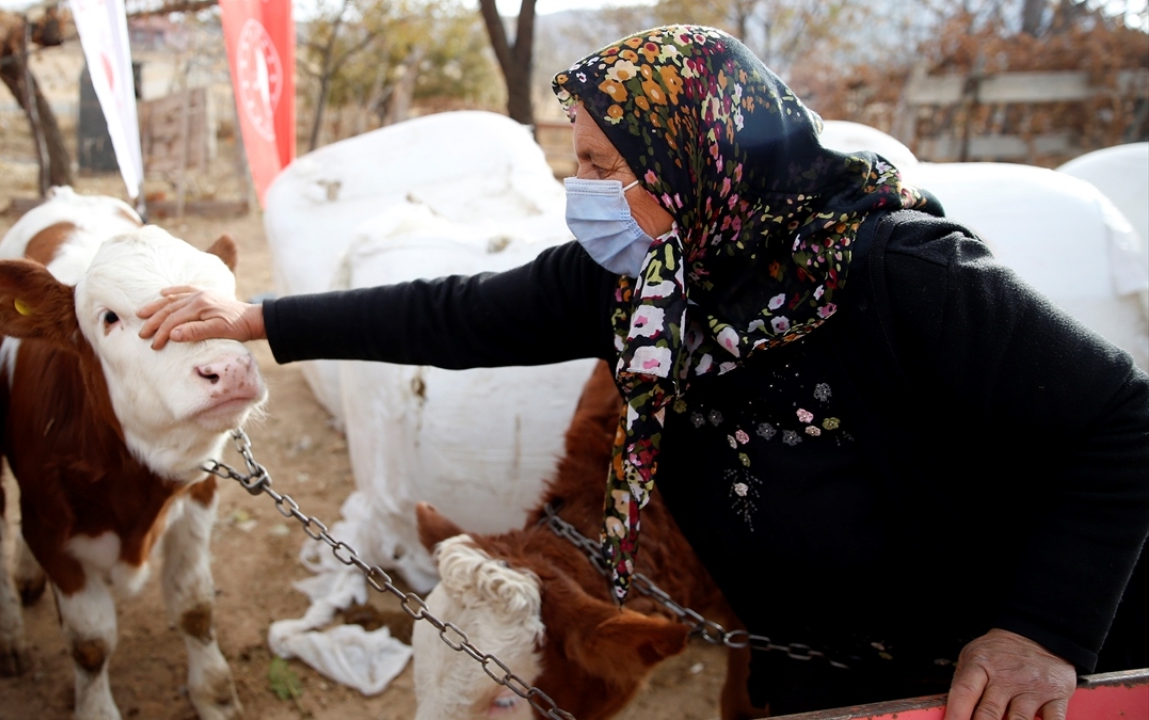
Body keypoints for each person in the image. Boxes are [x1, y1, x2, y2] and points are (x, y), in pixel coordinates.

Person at [140, 25, 1149, 719]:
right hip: (803, 659)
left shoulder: (894, 272)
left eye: (599, 167)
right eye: (573, 163)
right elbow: (454, 313)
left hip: (972, 662)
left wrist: (1038, 629)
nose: (577, 197)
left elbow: (1124, 421)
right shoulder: (647, 278)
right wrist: (257, 318)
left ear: (694, 160)